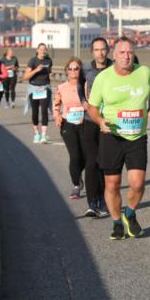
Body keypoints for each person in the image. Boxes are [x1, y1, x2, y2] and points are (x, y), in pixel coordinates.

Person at [85, 38, 150, 240]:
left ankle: (130, 213)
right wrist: (100, 120)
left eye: (129, 52)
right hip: (112, 136)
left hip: (136, 136)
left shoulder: (145, 73)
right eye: (121, 53)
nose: (126, 56)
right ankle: (117, 222)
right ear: (114, 55)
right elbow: (91, 107)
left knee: (137, 183)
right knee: (113, 183)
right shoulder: (104, 78)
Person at [81, 37, 111, 218]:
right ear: (92, 52)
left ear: (108, 50)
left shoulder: (115, 67)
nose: (100, 53)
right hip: (90, 120)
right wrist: (83, 101)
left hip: (109, 121)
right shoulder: (86, 68)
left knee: (105, 163)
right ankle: (92, 203)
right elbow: (78, 86)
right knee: (91, 163)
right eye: (97, 49)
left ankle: (104, 199)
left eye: (103, 49)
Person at [54, 58, 88, 199]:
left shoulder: (87, 86)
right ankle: (76, 184)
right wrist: (57, 115)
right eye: (70, 69)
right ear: (67, 71)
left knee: (86, 156)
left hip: (85, 123)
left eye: (76, 68)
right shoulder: (61, 87)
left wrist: (86, 115)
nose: (73, 71)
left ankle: (78, 175)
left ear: (81, 70)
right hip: (68, 123)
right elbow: (56, 104)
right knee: (75, 155)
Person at [23, 43, 54, 144]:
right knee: (35, 112)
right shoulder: (33, 61)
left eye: (44, 49)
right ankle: (37, 133)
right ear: (37, 50)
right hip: (34, 88)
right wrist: (36, 70)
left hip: (45, 88)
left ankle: (44, 135)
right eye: (41, 49)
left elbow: (49, 72)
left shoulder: (49, 61)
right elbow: (25, 77)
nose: (43, 51)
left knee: (44, 111)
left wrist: (51, 74)